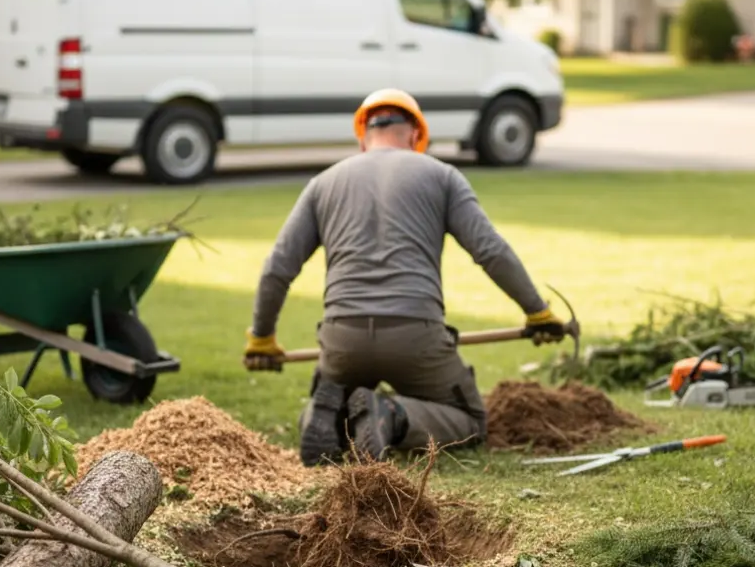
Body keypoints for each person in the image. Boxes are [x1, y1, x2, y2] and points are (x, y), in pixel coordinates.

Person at [242, 88, 567, 466]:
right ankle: (392, 416)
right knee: (471, 420)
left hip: (342, 339)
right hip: (416, 336)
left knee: (336, 395)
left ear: (363, 135)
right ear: (416, 134)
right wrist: (537, 312)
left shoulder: (324, 183)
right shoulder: (442, 176)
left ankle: (324, 414)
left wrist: (262, 337)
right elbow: (490, 251)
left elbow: (278, 267)